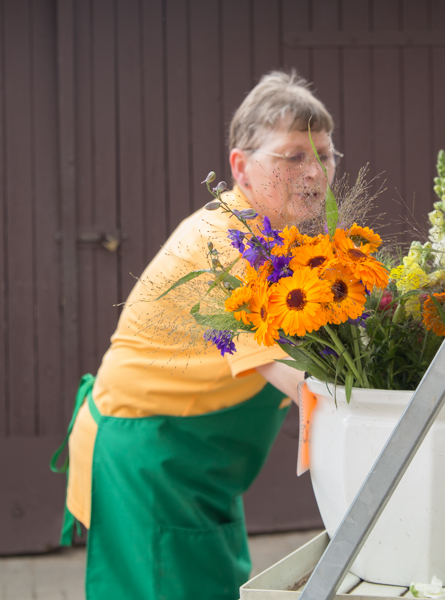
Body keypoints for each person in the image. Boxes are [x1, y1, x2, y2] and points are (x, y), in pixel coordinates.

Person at [64, 71, 338, 599]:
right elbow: (301, 379)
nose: (314, 173)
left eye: (324, 155)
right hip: (149, 457)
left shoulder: (282, 238)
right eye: (293, 156)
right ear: (240, 166)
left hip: (200, 465)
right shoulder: (227, 247)